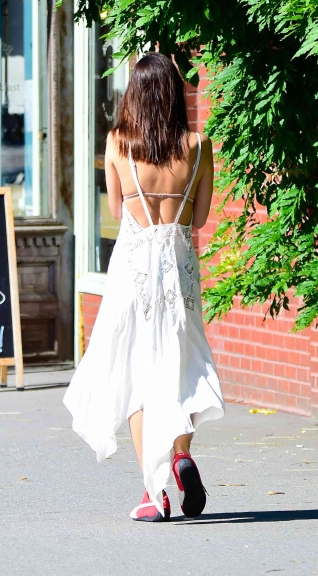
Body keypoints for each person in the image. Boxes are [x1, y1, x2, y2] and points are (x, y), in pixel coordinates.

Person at [64, 52, 225, 522]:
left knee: (132, 377)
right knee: (183, 366)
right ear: (174, 93)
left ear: (135, 93)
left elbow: (116, 211)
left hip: (132, 272)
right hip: (179, 270)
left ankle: (155, 493)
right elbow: (198, 219)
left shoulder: (118, 143)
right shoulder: (199, 145)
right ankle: (180, 456)